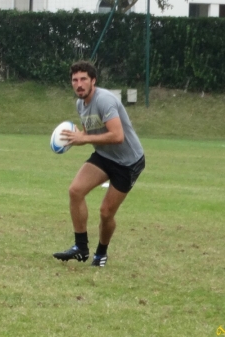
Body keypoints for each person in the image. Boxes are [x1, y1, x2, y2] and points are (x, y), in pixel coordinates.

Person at [53, 60, 145, 267]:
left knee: (105, 213)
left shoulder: (105, 100)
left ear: (93, 81)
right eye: (75, 80)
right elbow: (90, 132)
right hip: (104, 155)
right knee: (75, 191)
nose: (79, 84)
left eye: (83, 79)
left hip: (128, 162)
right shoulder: (80, 104)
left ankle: (101, 253)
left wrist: (84, 139)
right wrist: (78, 137)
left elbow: (117, 135)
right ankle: (80, 247)